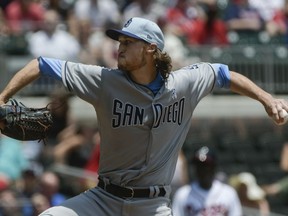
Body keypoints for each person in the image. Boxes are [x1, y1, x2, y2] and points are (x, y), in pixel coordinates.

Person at [0, 16, 287, 216]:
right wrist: (2, 98)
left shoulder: (183, 84)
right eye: (119, 41)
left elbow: (224, 73)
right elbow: (41, 64)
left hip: (153, 207)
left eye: (128, 42)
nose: (119, 47)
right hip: (103, 199)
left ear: (151, 48)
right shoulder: (104, 81)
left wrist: (267, 99)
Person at [172, 146, 242, 215]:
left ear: (214, 168)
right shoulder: (182, 194)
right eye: (199, 166)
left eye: (206, 166)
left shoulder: (229, 193)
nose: (202, 170)